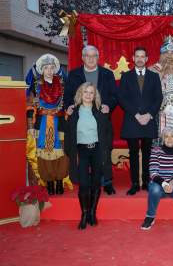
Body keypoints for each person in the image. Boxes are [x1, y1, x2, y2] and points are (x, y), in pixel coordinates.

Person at [64, 45, 118, 195]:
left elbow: (114, 95)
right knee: (83, 153)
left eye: (94, 56)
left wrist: (109, 105)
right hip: (81, 117)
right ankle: (83, 180)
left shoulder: (107, 74)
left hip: (101, 118)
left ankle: (107, 182)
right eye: (87, 56)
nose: (91, 58)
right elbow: (68, 96)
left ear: (98, 57)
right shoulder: (74, 75)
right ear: (82, 57)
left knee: (105, 149)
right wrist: (68, 107)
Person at [64, 83, 112, 230]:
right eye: (86, 92)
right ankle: (84, 214)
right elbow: (68, 134)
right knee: (84, 184)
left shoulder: (100, 111)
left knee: (96, 182)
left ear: (94, 95)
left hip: (97, 149)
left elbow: (108, 132)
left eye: (91, 93)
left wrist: (107, 149)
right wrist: (70, 152)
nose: (88, 95)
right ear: (80, 94)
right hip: (81, 151)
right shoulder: (73, 113)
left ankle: (92, 212)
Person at [118, 47, 163, 195]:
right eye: (137, 56)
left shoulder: (154, 76)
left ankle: (146, 182)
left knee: (147, 153)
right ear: (133, 58)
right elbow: (122, 98)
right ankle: (135, 184)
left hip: (148, 120)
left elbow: (158, 98)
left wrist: (149, 115)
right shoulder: (126, 76)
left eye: (142, 56)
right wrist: (137, 115)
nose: (139, 59)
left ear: (147, 59)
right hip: (132, 120)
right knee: (133, 153)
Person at [26, 53, 68, 195]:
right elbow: (30, 107)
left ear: (55, 69)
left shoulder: (63, 85)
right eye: (46, 68)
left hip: (59, 124)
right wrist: (31, 126)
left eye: (52, 67)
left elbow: (68, 104)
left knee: (61, 154)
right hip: (42, 124)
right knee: (44, 154)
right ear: (41, 70)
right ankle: (49, 183)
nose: (49, 70)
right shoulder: (36, 87)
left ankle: (59, 182)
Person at [140, 127, 173, 230]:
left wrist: (172, 182)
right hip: (159, 182)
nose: (169, 139)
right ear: (162, 139)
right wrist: (164, 183)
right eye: (166, 136)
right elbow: (153, 171)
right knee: (154, 189)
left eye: (172, 136)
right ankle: (150, 216)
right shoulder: (156, 150)